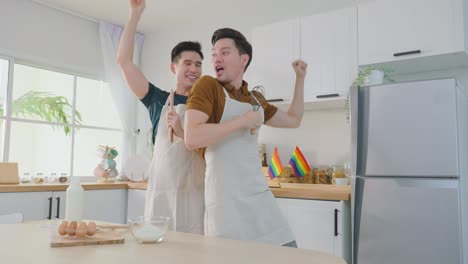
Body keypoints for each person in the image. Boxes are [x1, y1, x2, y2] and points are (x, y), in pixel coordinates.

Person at [185, 28, 307, 246]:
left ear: (244, 59)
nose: (217, 58)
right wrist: (242, 121)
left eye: (224, 52)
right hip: (226, 206)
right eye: (214, 54)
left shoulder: (255, 99)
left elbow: (294, 119)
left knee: (289, 253)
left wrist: (300, 78)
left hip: (258, 197)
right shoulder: (208, 86)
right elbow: (192, 136)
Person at [117, 0, 205, 234]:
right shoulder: (157, 99)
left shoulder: (207, 105)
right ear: (173, 68)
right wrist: (135, 14)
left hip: (196, 192)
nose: (194, 69)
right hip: (162, 192)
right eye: (187, 63)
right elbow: (124, 62)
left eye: (198, 64)